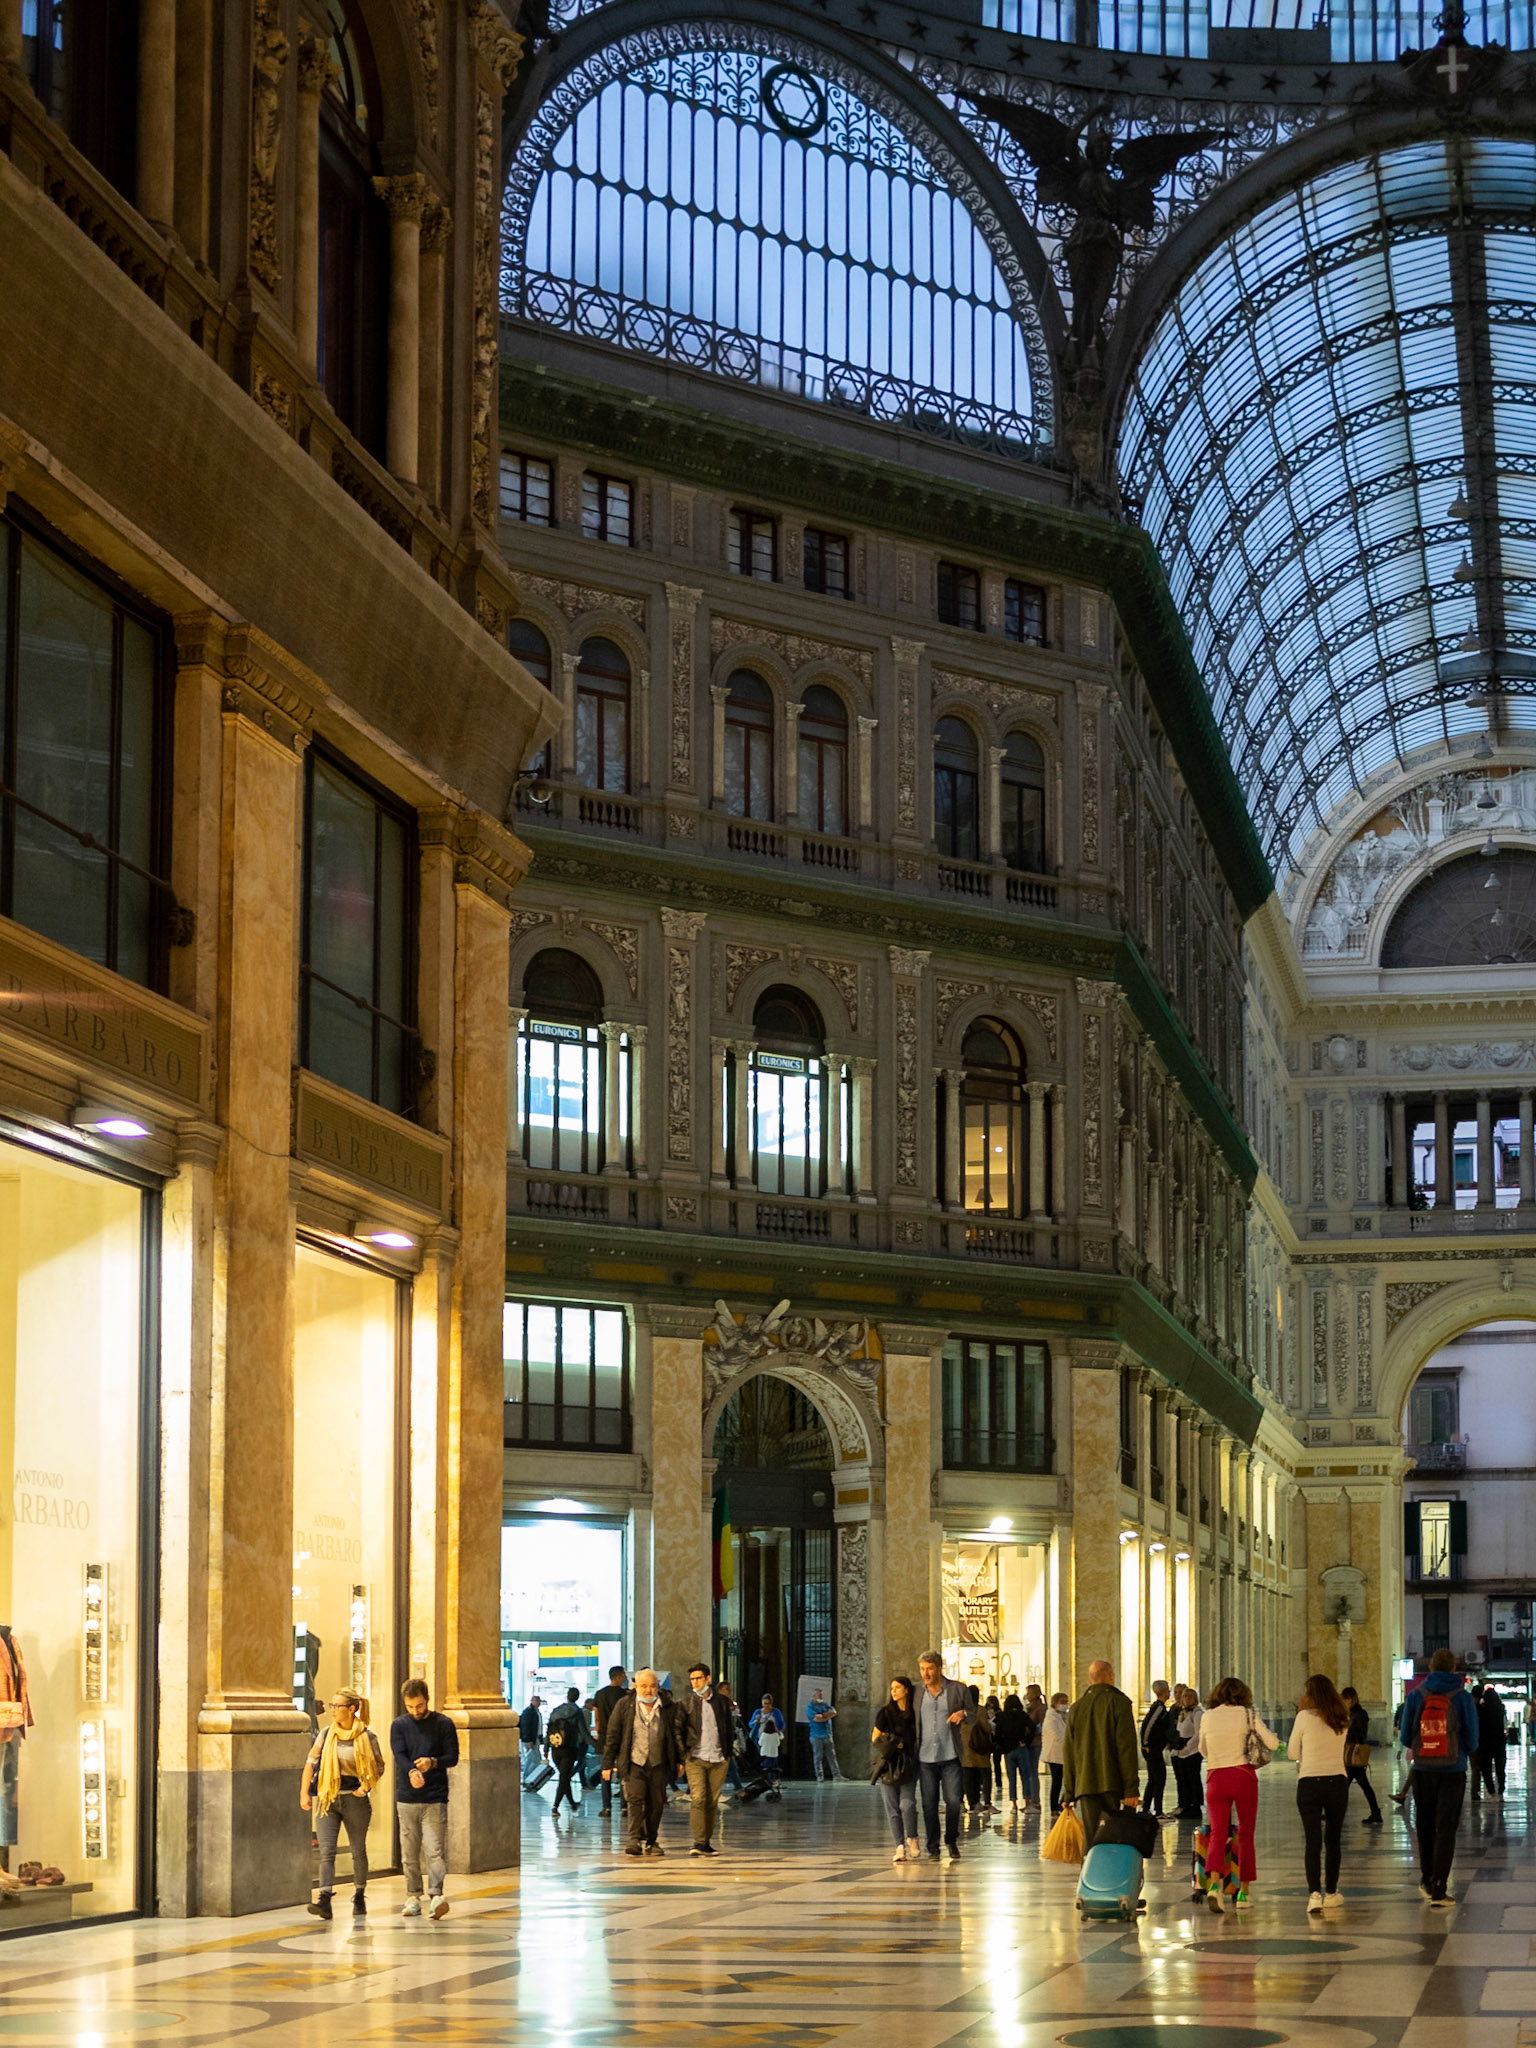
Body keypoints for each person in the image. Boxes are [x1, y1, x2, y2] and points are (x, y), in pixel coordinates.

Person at [1399, 1647, 1479, 1906]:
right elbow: (1473, 1738)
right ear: (1454, 1668)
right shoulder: (1463, 1697)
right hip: (1453, 1771)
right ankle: (1440, 1887)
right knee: (1446, 1828)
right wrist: (1460, 1752)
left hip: (1423, 1771)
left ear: (1431, 1668)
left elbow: (1404, 1736)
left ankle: (1426, 1876)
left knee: (1424, 1825)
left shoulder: (1416, 1695)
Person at [300, 1688, 386, 1920]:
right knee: (327, 1851)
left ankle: (359, 1894)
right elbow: (311, 1763)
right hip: (328, 1797)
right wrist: (304, 1793)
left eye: (338, 1706)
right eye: (332, 1706)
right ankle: (324, 1899)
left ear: (351, 1709)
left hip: (354, 1800)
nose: (333, 1711)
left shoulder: (366, 1737)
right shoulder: (327, 1734)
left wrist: (364, 1789)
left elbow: (378, 1767)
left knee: (358, 1850)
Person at [1196, 1676, 1279, 1910]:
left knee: (1217, 1834)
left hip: (1216, 1779)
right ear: (1243, 1694)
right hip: (1243, 1776)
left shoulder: (1208, 1716)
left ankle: (1214, 1886)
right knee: (1245, 1834)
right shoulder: (1247, 1714)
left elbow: (1202, 1748)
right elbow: (1271, 1744)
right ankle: (1243, 1893)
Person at [390, 1678, 458, 1919]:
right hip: (407, 1797)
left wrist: (433, 1763)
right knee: (409, 1851)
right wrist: (412, 1771)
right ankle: (412, 1896)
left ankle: (436, 1895)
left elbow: (453, 1756)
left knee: (434, 1849)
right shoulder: (399, 1725)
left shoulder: (443, 1724)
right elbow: (399, 1754)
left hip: (435, 1797)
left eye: (418, 1706)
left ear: (427, 1700)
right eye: (410, 1707)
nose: (415, 1711)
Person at [1061, 1659, 1140, 1850]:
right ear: (1111, 1676)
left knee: (1092, 1836)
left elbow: (1069, 1752)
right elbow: (1126, 1748)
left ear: (1090, 1680)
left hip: (1084, 1784)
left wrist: (1069, 1793)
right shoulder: (1119, 1703)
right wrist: (1131, 1789)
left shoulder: (1077, 1707)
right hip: (1111, 1781)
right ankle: (1108, 1876)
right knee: (1111, 1834)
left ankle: (1089, 1873)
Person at [601, 1667, 679, 1857]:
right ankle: (634, 1839)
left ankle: (651, 1840)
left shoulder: (668, 1706)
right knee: (634, 1800)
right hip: (634, 1761)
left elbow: (676, 1736)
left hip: (658, 1762)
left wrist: (679, 1760)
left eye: (652, 1686)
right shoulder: (624, 1705)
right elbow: (613, 1735)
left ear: (658, 1687)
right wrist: (607, 1764)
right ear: (635, 1686)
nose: (648, 1690)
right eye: (643, 1686)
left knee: (656, 1803)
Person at [1289, 1673, 1350, 1912]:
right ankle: (1332, 1892)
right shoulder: (1342, 1715)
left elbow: (1293, 1753)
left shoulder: (1303, 1717)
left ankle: (1314, 1894)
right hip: (1337, 1781)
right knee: (1333, 1840)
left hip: (1309, 1783)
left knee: (1312, 1841)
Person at [916, 1650, 970, 1862]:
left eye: (929, 1669)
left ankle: (951, 1839)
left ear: (939, 1668)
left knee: (954, 1801)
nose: (925, 1673)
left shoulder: (957, 1689)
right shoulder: (917, 1692)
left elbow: (973, 1712)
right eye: (922, 1669)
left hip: (950, 1755)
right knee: (929, 1804)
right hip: (925, 1757)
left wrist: (963, 1713)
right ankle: (933, 1846)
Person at [676, 1663, 734, 1855]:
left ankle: (706, 1842)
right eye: (692, 1679)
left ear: (708, 1679)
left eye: (699, 1678)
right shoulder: (686, 1703)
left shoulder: (722, 1702)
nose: (695, 1682)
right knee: (699, 1798)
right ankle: (699, 1841)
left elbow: (727, 1727)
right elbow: (678, 1730)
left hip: (718, 1757)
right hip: (695, 1757)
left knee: (711, 1801)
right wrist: (683, 1755)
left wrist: (728, 1754)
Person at [872, 1675, 920, 1863]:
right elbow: (875, 1737)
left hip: (908, 1762)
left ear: (906, 1690)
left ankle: (912, 1838)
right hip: (889, 1763)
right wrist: (893, 1742)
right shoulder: (885, 1713)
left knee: (907, 1804)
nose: (894, 1691)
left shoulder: (914, 1712)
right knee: (892, 1806)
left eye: (897, 1687)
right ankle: (899, 1846)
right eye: (892, 1688)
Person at [1339, 1686, 1383, 1825]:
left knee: (1346, 1785)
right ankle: (1375, 1813)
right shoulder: (1348, 1713)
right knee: (1359, 1785)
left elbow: (1360, 1733)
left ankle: (1335, 1813)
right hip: (1349, 1753)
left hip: (1355, 1753)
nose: (1344, 1702)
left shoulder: (1360, 1714)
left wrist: (1347, 1730)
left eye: (1345, 1700)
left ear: (1351, 1699)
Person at [591, 1666, 629, 1818]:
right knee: (623, 1771)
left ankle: (606, 1807)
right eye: (624, 1675)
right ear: (618, 1677)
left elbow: (597, 1716)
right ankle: (624, 1806)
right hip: (621, 1737)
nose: (625, 1677)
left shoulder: (600, 1694)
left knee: (605, 1771)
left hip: (605, 1736)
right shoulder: (625, 1695)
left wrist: (601, 1733)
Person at [547, 1685, 589, 1819]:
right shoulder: (577, 1712)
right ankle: (555, 1807)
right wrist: (597, 1745)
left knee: (564, 1777)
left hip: (556, 1749)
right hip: (569, 1749)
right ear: (577, 1697)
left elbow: (549, 1730)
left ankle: (572, 1803)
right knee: (564, 1778)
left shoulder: (556, 1711)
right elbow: (584, 1733)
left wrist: (546, 1748)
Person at [1139, 1679, 1177, 1820]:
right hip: (1151, 1749)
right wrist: (1145, 1743)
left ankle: (1146, 1809)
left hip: (1154, 1748)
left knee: (1153, 1779)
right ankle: (1158, 1811)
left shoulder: (1160, 1707)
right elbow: (1148, 1726)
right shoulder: (1159, 1708)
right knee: (1159, 1778)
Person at [996, 1691, 1040, 1811]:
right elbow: (1032, 1728)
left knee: (1012, 1779)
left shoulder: (1001, 1716)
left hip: (1008, 1750)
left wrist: (1003, 1746)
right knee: (1025, 1776)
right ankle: (1027, 1802)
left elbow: (997, 1733)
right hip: (1021, 1748)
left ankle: (1014, 1805)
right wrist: (1026, 1741)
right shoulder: (1022, 1715)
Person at [959, 1683, 993, 1814]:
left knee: (966, 1775)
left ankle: (965, 1801)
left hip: (964, 1746)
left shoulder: (961, 1710)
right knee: (982, 1774)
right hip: (979, 1746)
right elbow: (986, 1727)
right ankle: (978, 1802)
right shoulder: (980, 1710)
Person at [1171, 1685, 1204, 1819]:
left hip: (1193, 1751)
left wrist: (1188, 1747)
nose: (1186, 1699)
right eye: (1184, 1696)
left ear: (1194, 1698)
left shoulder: (1197, 1713)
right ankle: (1185, 1805)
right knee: (1183, 1779)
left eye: (1189, 1696)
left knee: (1193, 1778)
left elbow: (1199, 1733)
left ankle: (1195, 1806)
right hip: (1182, 1750)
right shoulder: (1183, 1713)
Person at [750, 1695, 786, 1798]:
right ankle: (766, 1779)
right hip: (761, 1738)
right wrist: (756, 1721)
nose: (766, 1706)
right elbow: (751, 1724)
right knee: (764, 1760)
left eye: (768, 1703)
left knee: (772, 1762)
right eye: (764, 1703)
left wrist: (776, 1730)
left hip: (772, 1739)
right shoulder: (757, 1712)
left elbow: (782, 1725)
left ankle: (773, 1779)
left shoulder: (776, 1712)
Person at [1040, 1692, 1069, 1814]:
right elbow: (1056, 1734)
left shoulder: (1061, 1716)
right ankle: (1054, 1807)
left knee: (1064, 1780)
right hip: (1054, 1755)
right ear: (1055, 1703)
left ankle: (1061, 1804)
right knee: (1057, 1781)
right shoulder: (1051, 1717)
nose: (1065, 1705)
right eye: (1062, 1702)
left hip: (1062, 1754)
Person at [1476, 1685, 1507, 1800]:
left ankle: (1491, 1790)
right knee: (1500, 1768)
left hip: (1485, 1743)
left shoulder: (1482, 1710)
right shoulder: (1501, 1709)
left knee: (1486, 1768)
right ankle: (1501, 1789)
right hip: (1499, 1742)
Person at [807, 1687, 840, 1781]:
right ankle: (819, 1775)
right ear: (814, 1696)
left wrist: (823, 1716)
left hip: (827, 1734)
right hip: (816, 1736)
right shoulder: (810, 1707)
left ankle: (836, 1775)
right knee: (818, 1756)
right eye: (819, 1694)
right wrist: (827, 1716)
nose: (821, 1696)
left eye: (821, 1694)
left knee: (832, 1756)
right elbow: (816, 1718)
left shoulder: (825, 1705)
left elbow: (834, 1712)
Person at [985, 1692, 1005, 1801]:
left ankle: (998, 1782)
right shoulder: (984, 1712)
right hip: (989, 1741)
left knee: (997, 1762)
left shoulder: (1000, 1714)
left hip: (996, 1741)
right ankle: (985, 1783)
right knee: (987, 1762)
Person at [519, 1694, 544, 1776]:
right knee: (536, 1760)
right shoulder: (529, 1712)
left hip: (534, 1739)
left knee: (530, 1759)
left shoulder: (536, 1712)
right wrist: (528, 1740)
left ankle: (528, 1777)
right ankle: (529, 1777)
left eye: (539, 1701)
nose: (538, 1702)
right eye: (536, 1700)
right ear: (532, 1701)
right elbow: (526, 1726)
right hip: (530, 1739)